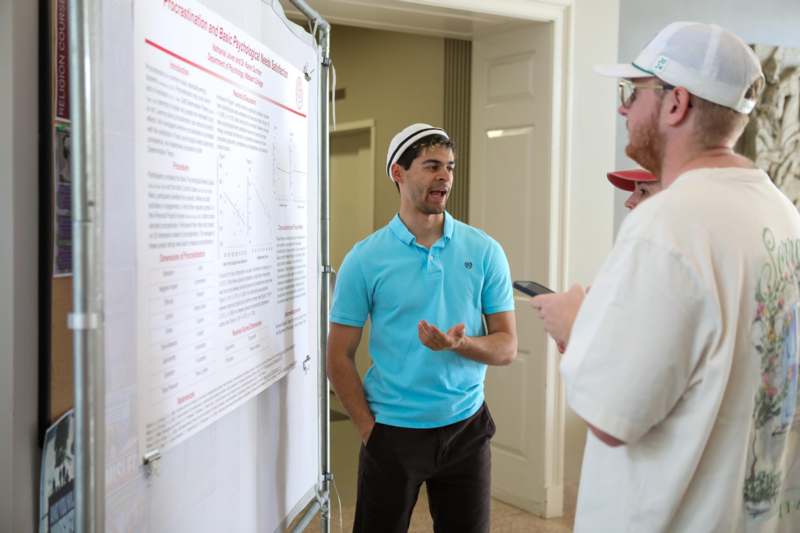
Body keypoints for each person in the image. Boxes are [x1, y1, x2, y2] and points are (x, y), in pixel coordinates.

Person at [533, 22, 800, 531]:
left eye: (633, 93)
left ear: (675, 103)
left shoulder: (667, 224)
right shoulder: (780, 213)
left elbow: (613, 417)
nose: (623, 109)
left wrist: (577, 323)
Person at [327, 123, 518, 533]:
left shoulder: (484, 251)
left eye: (449, 166)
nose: (445, 176)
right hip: (392, 433)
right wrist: (367, 429)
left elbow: (506, 347)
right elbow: (337, 356)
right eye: (432, 165)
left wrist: (461, 344)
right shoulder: (364, 259)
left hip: (466, 428)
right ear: (398, 172)